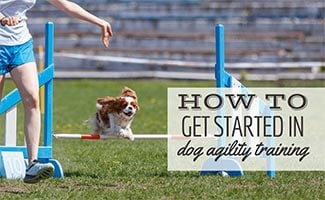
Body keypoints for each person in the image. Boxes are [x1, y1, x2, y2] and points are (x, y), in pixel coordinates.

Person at [0, 0, 113, 184]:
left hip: (21, 44)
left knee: (33, 100)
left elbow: (65, 5)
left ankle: (32, 164)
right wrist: (3, 19)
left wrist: (99, 21)